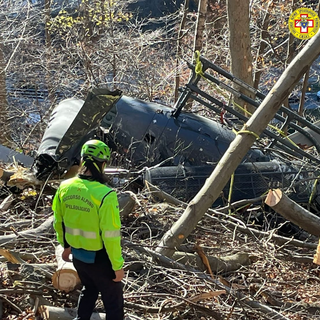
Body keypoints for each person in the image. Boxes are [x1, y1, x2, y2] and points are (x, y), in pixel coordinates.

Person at [52, 139, 125, 320]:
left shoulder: (64, 187)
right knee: (113, 305)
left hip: (78, 257)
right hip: (101, 260)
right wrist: (117, 266)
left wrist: (66, 246)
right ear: (103, 164)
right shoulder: (105, 194)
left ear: (83, 160)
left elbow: (58, 221)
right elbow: (111, 236)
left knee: (89, 289)